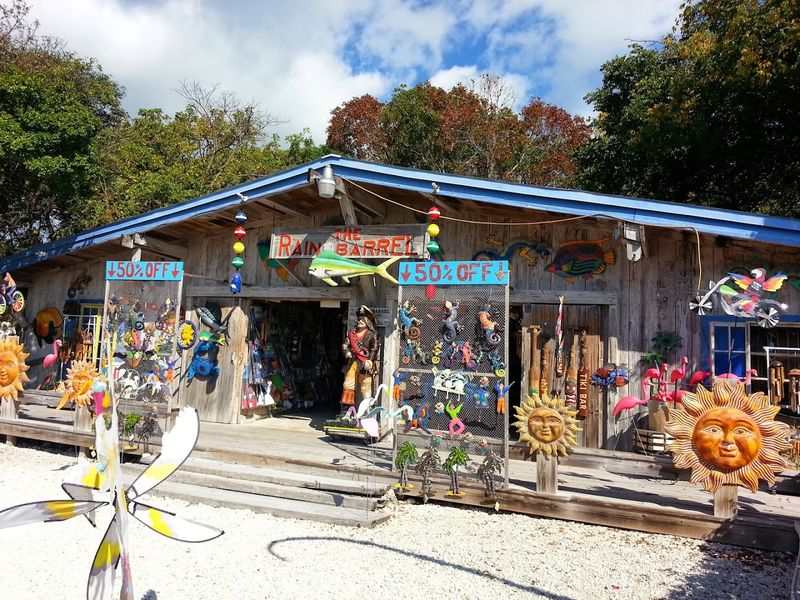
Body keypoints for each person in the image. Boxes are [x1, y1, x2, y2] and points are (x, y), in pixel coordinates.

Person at [340, 305, 379, 411]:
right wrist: (347, 352)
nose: (360, 321)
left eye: (363, 319)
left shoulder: (373, 334)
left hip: (364, 363)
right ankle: (347, 411)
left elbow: (374, 348)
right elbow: (345, 345)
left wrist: (370, 360)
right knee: (348, 384)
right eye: (359, 319)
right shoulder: (352, 333)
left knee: (365, 387)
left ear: (367, 321)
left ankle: (367, 412)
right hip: (352, 362)